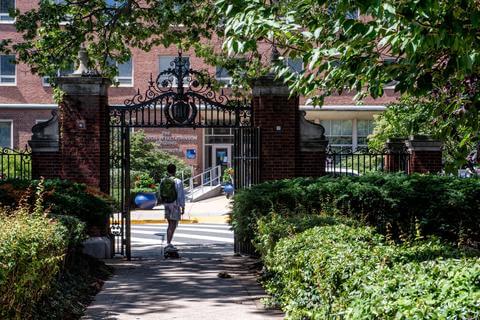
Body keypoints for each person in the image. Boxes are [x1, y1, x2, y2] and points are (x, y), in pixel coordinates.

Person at [158, 164, 185, 250]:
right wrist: (182, 206)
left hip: (167, 204)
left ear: (167, 171)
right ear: (175, 171)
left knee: (170, 224)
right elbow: (181, 195)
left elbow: (160, 193)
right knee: (173, 225)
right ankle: (168, 243)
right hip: (175, 205)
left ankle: (169, 242)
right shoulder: (178, 181)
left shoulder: (163, 180)